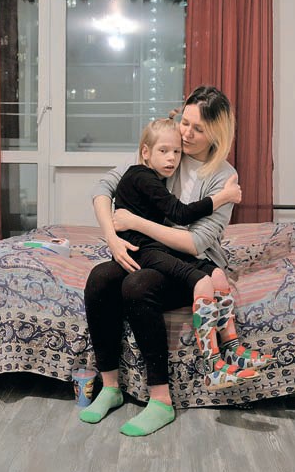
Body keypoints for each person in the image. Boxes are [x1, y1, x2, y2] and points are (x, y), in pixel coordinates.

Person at [80, 85, 272, 437]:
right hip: (151, 250)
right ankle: (110, 387)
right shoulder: (167, 147)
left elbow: (195, 241)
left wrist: (136, 222)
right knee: (99, 278)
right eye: (185, 122)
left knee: (138, 286)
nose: (186, 134)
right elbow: (103, 188)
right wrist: (111, 237)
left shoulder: (223, 176)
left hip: (192, 259)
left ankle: (161, 400)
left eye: (198, 129)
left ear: (216, 135)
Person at [111, 117, 258, 392]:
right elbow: (180, 213)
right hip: (142, 249)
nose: (172, 158)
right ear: (146, 152)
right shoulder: (143, 177)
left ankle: (233, 349)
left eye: (176, 152)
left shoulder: (155, 174)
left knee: (217, 275)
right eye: (164, 151)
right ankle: (212, 367)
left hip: (155, 244)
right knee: (201, 281)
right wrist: (223, 197)